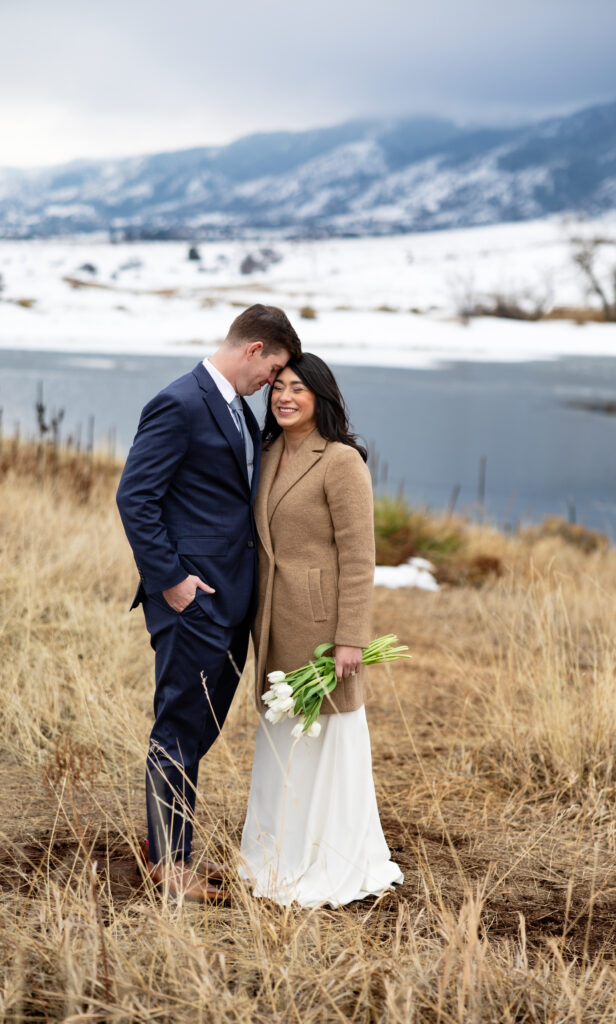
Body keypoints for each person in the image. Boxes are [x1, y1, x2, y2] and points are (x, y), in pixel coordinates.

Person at [116, 304, 301, 902]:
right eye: (273, 370)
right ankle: (171, 867)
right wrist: (172, 581)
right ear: (253, 350)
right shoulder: (181, 401)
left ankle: (168, 848)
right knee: (178, 727)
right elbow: (134, 497)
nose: (272, 384)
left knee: (199, 730)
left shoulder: (233, 408)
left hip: (230, 604)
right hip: (190, 602)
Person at [240, 353, 403, 906]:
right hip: (271, 619)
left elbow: (359, 558)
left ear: (321, 398)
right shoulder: (263, 455)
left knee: (328, 737)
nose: (284, 397)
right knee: (282, 736)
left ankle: (330, 857)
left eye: (297, 389)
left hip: (321, 627)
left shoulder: (341, 461)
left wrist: (350, 637)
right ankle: (275, 851)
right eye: (277, 387)